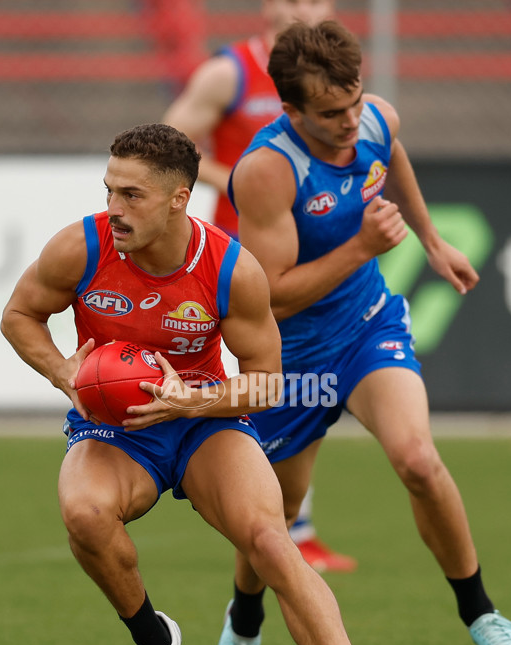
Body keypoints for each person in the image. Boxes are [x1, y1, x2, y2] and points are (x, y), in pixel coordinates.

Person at [0, 123, 415, 645]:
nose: (113, 207)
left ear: (178, 199)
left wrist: (193, 400)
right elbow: (19, 315)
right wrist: (68, 374)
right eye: (109, 189)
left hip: (204, 421)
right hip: (114, 429)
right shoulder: (81, 247)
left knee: (270, 540)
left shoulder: (230, 269)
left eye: (131, 195)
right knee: (84, 514)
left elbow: (267, 385)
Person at [207, 21, 511, 645]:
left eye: (355, 102)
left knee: (418, 458)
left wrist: (433, 240)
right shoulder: (267, 171)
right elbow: (272, 298)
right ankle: (243, 622)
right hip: (291, 354)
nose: (351, 122)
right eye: (331, 114)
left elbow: (398, 162)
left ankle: (480, 609)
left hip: (366, 327)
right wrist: (361, 247)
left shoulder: (376, 119)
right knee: (275, 513)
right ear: (291, 111)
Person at [162, 0, 356, 572]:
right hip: (236, 263)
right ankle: (256, 514)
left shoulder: (331, 83)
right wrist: (233, 174)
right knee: (258, 387)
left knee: (298, 388)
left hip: (305, 255)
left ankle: (294, 524)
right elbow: (169, 145)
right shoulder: (230, 72)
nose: (305, 6)